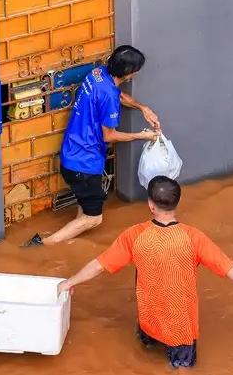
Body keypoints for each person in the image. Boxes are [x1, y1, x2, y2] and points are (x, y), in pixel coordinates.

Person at [57, 176, 233, 369]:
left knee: (144, 352)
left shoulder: (134, 235)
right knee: (182, 368)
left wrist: (69, 282)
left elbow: (99, 265)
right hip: (181, 328)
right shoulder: (193, 238)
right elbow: (231, 269)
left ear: (150, 204)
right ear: (177, 203)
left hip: (148, 320)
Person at [27, 45, 161, 246]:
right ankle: (43, 244)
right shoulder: (109, 98)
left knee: (86, 209)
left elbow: (118, 94)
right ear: (129, 74)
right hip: (85, 164)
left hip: (71, 154)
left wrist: (143, 108)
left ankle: (72, 237)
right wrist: (142, 136)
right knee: (94, 218)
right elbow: (109, 135)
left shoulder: (97, 74)